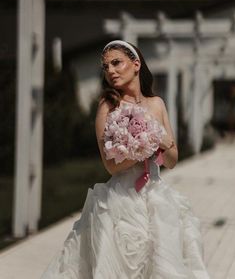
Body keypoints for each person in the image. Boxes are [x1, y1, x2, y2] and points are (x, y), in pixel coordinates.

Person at [41, 40, 210, 278]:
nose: (110, 70)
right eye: (106, 66)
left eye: (116, 63)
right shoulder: (108, 106)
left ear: (136, 64)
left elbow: (171, 160)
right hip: (121, 199)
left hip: (155, 196)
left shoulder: (157, 104)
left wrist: (161, 143)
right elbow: (110, 166)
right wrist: (147, 144)